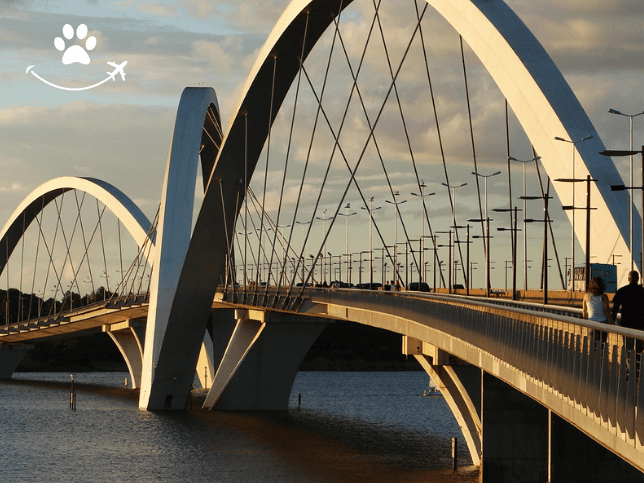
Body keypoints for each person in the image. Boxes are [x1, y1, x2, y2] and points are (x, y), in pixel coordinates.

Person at [612, 271, 644, 353]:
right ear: (638, 279)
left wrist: (612, 321)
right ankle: (638, 365)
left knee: (628, 347)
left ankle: (628, 364)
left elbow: (615, 308)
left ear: (628, 279)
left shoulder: (622, 291)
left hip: (626, 324)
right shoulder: (642, 291)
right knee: (639, 349)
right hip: (640, 323)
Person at [582, 276, 613, 342]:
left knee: (592, 344)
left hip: (591, 322)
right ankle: (601, 352)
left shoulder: (586, 296)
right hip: (603, 322)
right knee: (602, 343)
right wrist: (612, 322)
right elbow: (607, 311)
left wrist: (585, 320)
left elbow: (584, 311)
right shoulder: (604, 296)